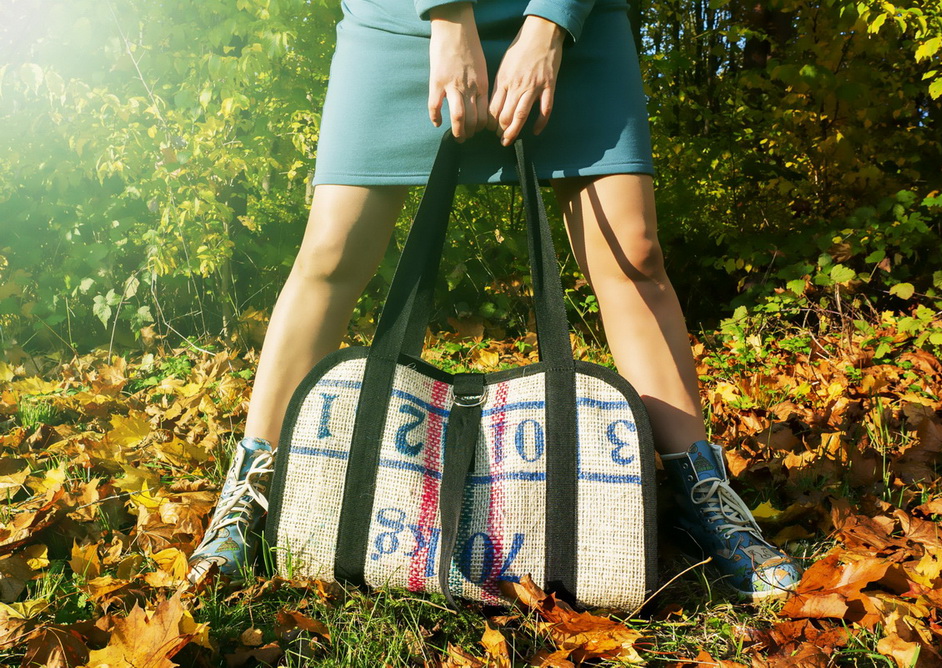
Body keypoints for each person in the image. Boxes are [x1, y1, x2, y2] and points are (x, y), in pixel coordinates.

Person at [185, 0, 802, 601]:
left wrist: (549, 26)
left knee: (634, 256)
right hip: (403, 22)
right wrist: (449, 19)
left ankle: (700, 493)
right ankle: (254, 489)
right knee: (331, 256)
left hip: (575, 26)